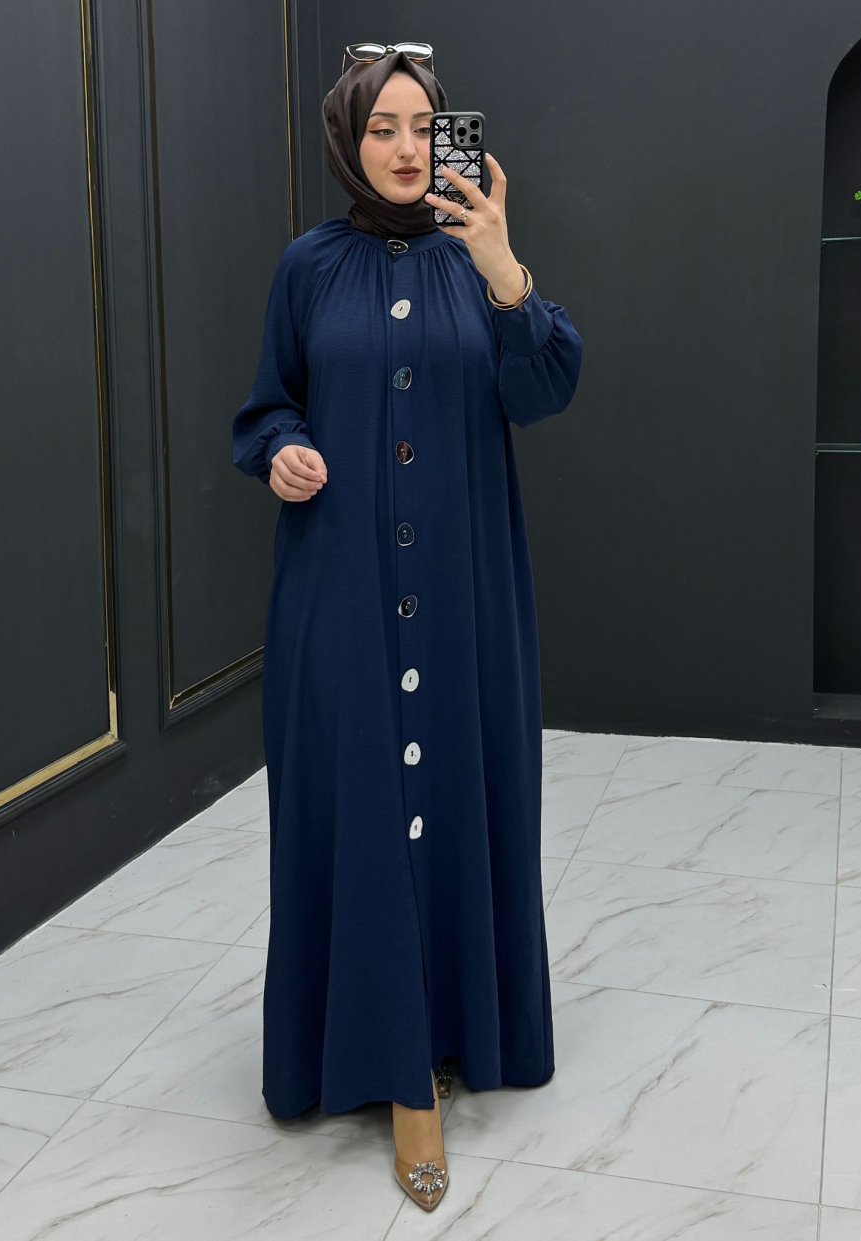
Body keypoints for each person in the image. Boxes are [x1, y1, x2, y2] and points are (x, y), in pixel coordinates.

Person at [231, 44, 583, 1212]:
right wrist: (281, 451)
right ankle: (384, 1064)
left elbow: (543, 390)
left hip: (463, 587)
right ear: (347, 137)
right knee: (357, 810)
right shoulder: (306, 267)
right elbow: (265, 404)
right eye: (381, 126)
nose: (404, 147)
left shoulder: (478, 261)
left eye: (423, 127)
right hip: (335, 592)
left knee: (460, 793)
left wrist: (504, 268)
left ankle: (455, 1036)